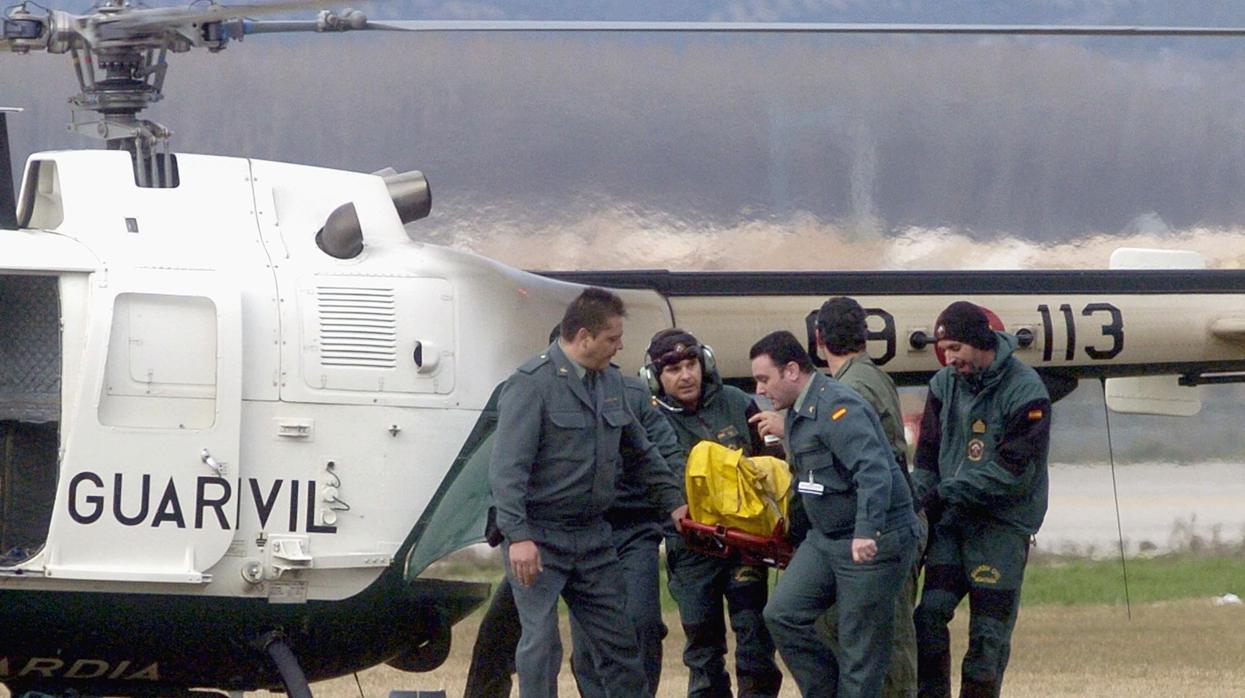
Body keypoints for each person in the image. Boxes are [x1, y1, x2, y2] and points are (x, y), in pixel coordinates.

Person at [488, 287, 687, 698]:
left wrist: (675, 503)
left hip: (593, 538)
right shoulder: (531, 384)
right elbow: (507, 470)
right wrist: (519, 537)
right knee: (541, 645)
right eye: (612, 338)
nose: (620, 346)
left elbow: (642, 451)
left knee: (619, 643)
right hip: (539, 538)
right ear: (583, 337)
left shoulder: (611, 382)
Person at [750, 330, 918, 698]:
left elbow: (873, 470)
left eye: (764, 379)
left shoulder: (840, 407)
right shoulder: (796, 413)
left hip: (872, 540)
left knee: (861, 648)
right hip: (826, 539)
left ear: (792, 370)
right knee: (782, 614)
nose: (760, 390)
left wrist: (866, 531)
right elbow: (805, 481)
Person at [911, 301, 1051, 698]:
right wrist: (914, 502)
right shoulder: (943, 385)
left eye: (955, 348)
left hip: (1001, 528)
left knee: (987, 639)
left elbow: (1013, 474)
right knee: (929, 617)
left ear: (978, 341)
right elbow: (927, 458)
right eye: (945, 350)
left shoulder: (1026, 392)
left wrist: (945, 493)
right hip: (952, 524)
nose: (948, 357)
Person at [644, 328, 784, 698]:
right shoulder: (648, 419)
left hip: (746, 545)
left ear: (704, 363)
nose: (686, 375)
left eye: (691, 364)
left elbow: (774, 464)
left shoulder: (738, 402)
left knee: (754, 638)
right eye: (673, 369)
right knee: (703, 651)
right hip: (690, 551)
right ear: (655, 378)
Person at [814, 296, 920, 698]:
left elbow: (863, 463)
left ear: (819, 338)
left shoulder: (849, 389)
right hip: (893, 516)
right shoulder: (873, 377)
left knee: (887, 636)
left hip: (881, 525)